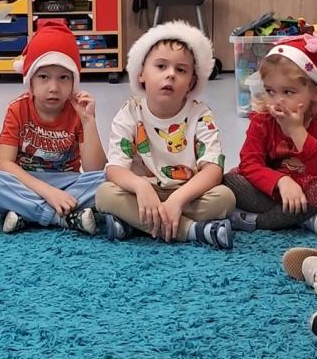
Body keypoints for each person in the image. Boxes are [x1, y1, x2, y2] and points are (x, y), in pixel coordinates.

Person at [96, 21, 235, 248]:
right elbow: (115, 169)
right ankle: (192, 230)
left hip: (186, 192)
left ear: (191, 82)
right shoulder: (130, 112)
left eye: (181, 70)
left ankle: (136, 223)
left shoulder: (200, 114)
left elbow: (213, 170)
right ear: (141, 74)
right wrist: (141, 187)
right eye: (161, 66)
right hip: (142, 193)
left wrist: (178, 200)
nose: (170, 74)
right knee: (104, 194)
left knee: (225, 198)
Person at [0, 20, 106, 234]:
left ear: (74, 82)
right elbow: (4, 163)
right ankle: (61, 217)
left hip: (67, 183)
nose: (53, 87)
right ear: (31, 81)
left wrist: (89, 122)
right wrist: (48, 193)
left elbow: (95, 169)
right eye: (44, 77)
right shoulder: (17, 109)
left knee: (109, 179)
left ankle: (27, 212)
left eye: (63, 78)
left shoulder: (78, 111)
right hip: (26, 181)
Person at [225, 34, 317, 234]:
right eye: (271, 91)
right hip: (273, 189)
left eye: (288, 92)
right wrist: (281, 181)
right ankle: (305, 218)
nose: (277, 101)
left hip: (310, 188)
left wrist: (297, 131)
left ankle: (258, 221)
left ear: (315, 92)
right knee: (230, 179)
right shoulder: (263, 119)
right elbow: (249, 163)